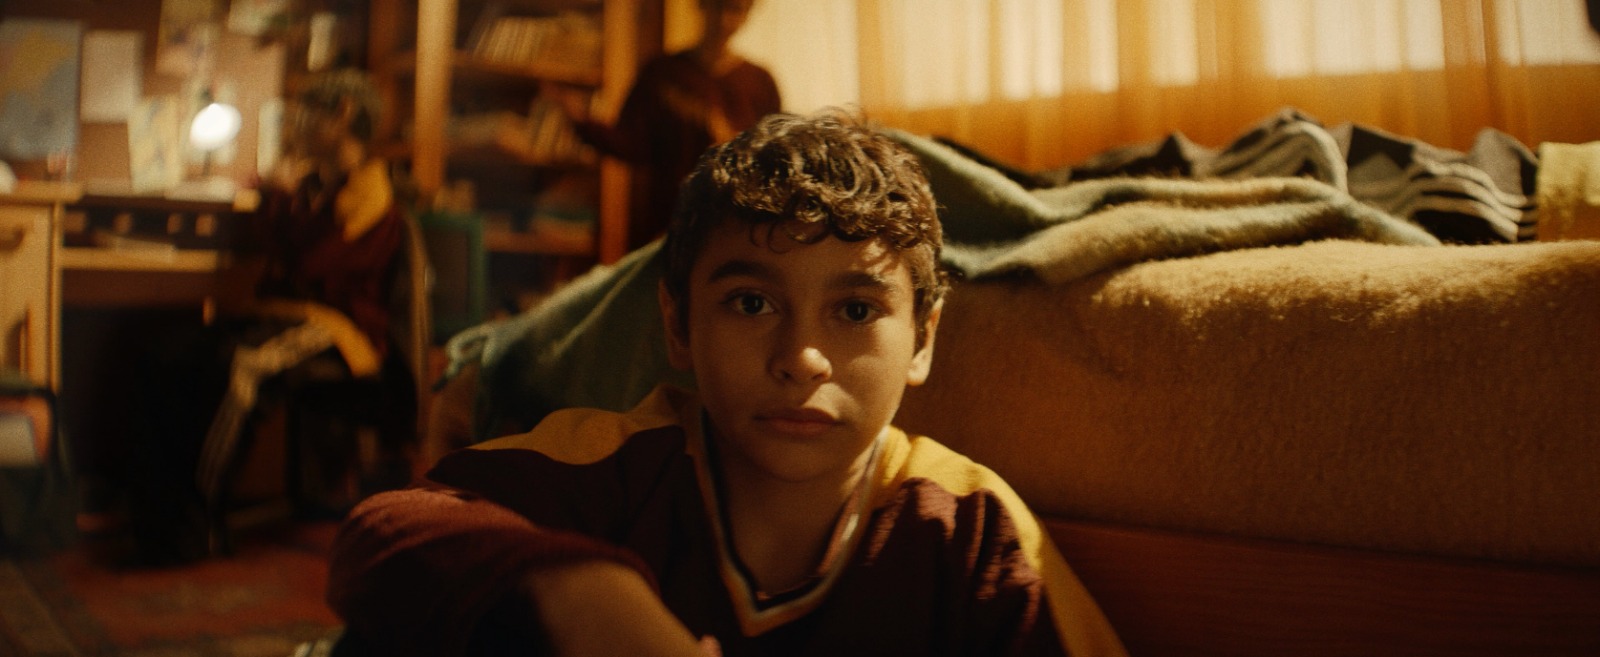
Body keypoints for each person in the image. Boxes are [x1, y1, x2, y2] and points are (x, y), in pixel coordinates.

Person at [325, 110, 1127, 656]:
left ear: (922, 338)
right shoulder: (612, 467)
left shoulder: (971, 530)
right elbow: (385, 530)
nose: (802, 357)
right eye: (751, 303)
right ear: (678, 325)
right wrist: (580, 591)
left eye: (854, 309)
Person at [556, 0, 781, 252]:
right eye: (717, 6)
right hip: (670, 221)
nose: (724, 19)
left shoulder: (760, 82)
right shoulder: (662, 73)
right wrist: (580, 121)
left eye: (735, 9)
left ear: (747, 14)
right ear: (702, 6)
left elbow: (773, 161)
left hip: (735, 227)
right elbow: (631, 143)